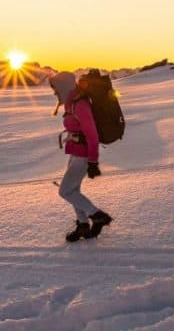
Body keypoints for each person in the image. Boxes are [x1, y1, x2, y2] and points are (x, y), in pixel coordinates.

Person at [49, 71, 113, 242]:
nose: (55, 92)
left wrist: (93, 162)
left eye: (56, 88)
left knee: (65, 191)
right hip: (76, 152)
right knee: (73, 190)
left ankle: (97, 215)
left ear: (64, 87)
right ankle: (83, 225)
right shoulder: (71, 103)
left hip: (83, 155)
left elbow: (92, 134)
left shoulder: (80, 104)